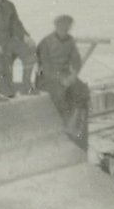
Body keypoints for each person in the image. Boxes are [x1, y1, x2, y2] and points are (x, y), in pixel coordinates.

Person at [36, 13, 97, 145]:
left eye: (68, 27)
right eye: (63, 26)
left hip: (65, 75)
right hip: (47, 78)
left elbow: (76, 61)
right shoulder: (46, 42)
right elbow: (44, 67)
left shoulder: (70, 41)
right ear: (57, 26)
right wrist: (61, 79)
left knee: (82, 90)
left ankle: (75, 126)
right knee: (59, 93)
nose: (65, 29)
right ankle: (63, 128)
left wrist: (73, 76)